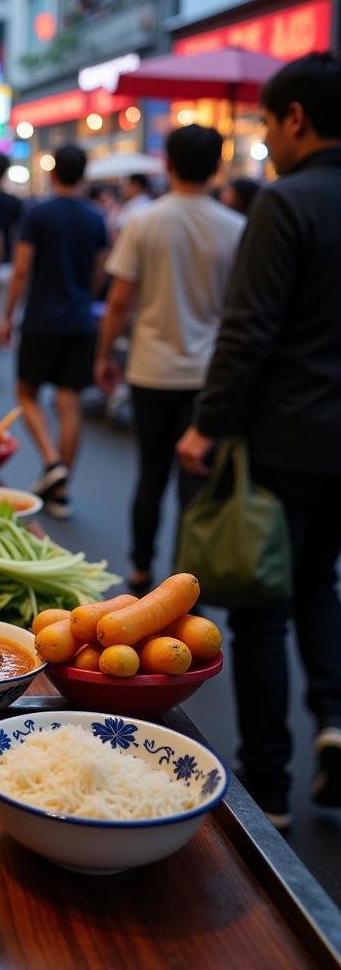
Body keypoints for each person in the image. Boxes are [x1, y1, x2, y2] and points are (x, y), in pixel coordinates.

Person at [177, 52, 341, 829]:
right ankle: (334, 724)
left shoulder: (287, 202)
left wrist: (207, 423)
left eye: (269, 124)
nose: (267, 140)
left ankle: (270, 788)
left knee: (265, 609)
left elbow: (248, 329)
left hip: (283, 437)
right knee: (322, 584)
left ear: (297, 118)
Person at [94, 125, 245, 596]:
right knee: (196, 485)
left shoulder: (145, 220)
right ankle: (185, 584)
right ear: (218, 166)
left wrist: (103, 353)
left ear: (168, 164)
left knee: (151, 474)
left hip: (151, 370)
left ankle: (139, 571)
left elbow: (119, 300)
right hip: (210, 377)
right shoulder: (237, 227)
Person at [0, 144, 109, 518]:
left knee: (26, 393)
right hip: (80, 320)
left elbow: (21, 270)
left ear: (53, 172)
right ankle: (61, 492)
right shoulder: (96, 218)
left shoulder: (38, 213)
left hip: (42, 318)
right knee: (69, 402)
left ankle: (49, 459)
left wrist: (7, 315)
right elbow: (98, 272)